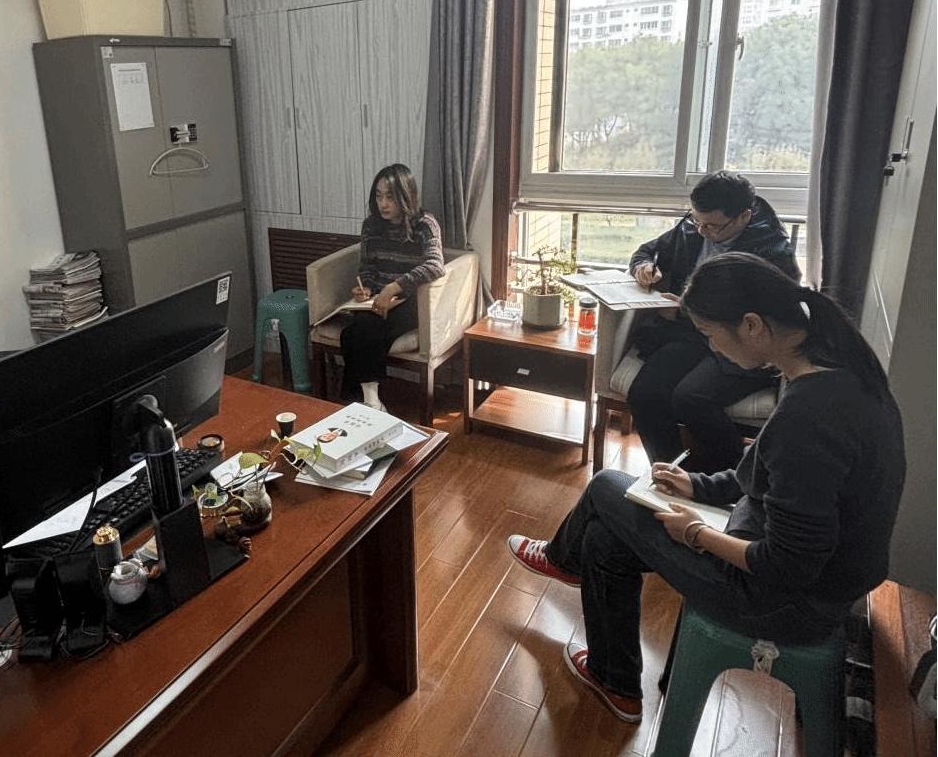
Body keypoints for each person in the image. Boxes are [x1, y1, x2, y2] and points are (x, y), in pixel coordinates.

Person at [506, 253, 905, 724]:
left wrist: (697, 533)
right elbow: (767, 476)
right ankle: (615, 681)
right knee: (602, 538)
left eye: (711, 335)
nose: (711, 347)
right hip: (806, 576)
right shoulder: (837, 369)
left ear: (751, 325)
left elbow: (787, 565)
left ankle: (561, 561)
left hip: (789, 603)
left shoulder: (809, 415)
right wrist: (697, 485)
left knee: (606, 485)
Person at [626, 170, 800, 472]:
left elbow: (766, 316)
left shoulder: (772, 251)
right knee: (644, 393)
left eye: (713, 226)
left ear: (744, 216)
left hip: (740, 345)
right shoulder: (694, 227)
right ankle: (670, 473)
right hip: (690, 335)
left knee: (690, 397)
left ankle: (732, 477)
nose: (702, 231)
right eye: (697, 221)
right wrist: (643, 266)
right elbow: (647, 251)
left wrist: (686, 310)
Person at [340, 164, 445, 412]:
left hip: (410, 302)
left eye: (390, 197)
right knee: (356, 331)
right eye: (378, 196)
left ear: (405, 197)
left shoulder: (425, 224)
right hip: (377, 300)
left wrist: (392, 289)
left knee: (357, 333)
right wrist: (365, 288)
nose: (383, 204)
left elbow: (435, 265)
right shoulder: (371, 226)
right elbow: (367, 266)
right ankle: (370, 401)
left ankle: (363, 400)